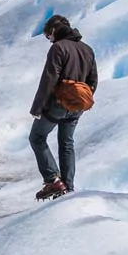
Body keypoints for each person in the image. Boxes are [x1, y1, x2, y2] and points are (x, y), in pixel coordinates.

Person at [29, 14, 98, 200]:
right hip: (77, 107)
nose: (49, 40)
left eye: (47, 36)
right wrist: (81, 100)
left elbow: (49, 79)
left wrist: (37, 107)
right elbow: (93, 81)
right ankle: (68, 186)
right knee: (66, 143)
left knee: (36, 137)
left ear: (53, 31)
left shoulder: (58, 48)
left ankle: (53, 179)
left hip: (57, 104)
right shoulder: (87, 49)